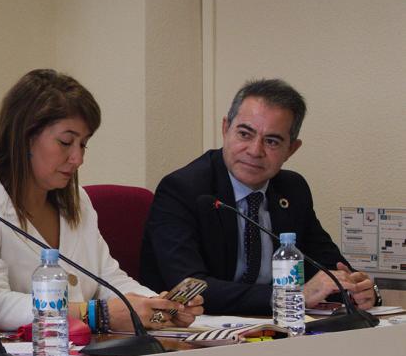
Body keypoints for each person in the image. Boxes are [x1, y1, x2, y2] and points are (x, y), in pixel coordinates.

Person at [0, 69, 202, 334]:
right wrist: (92, 313)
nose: (77, 159)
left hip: (85, 355)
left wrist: (158, 306)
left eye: (83, 144)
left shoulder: (77, 200)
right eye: (66, 142)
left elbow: (109, 279)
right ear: (24, 136)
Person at [140, 78, 377, 315]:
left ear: (291, 149)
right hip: (193, 335)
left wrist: (358, 289)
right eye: (245, 134)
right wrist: (293, 296)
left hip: (275, 330)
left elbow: (327, 268)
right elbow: (189, 288)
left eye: (272, 141)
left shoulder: (292, 189)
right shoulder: (183, 189)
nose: (255, 151)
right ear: (225, 129)